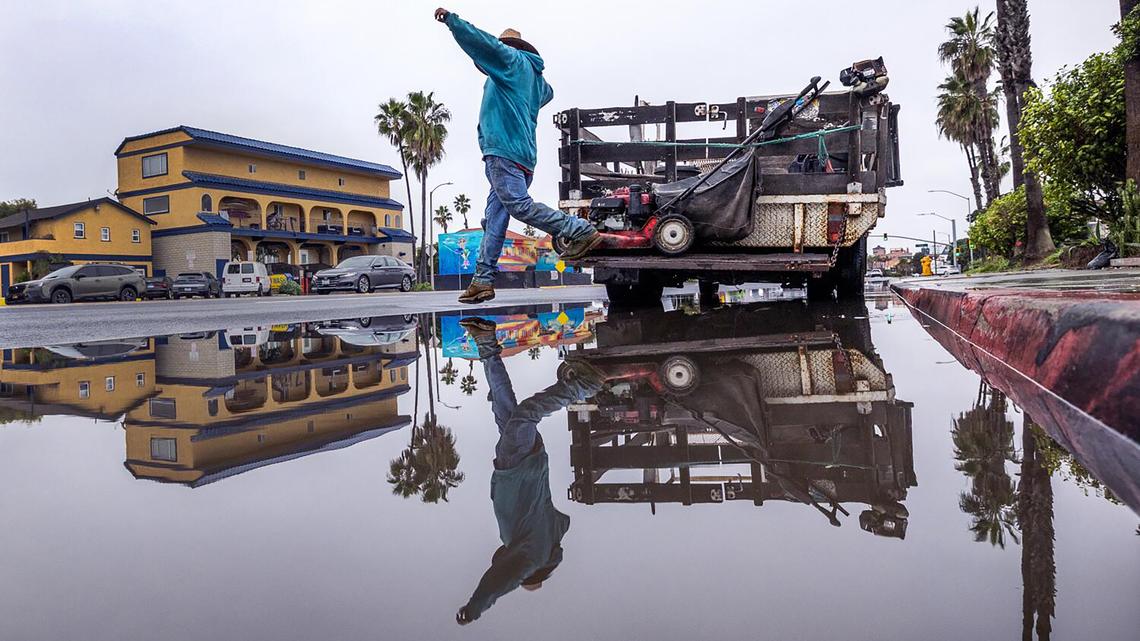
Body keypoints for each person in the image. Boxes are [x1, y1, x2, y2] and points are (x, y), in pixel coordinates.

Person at [435, 8, 603, 304]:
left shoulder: (510, 61)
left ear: (508, 48)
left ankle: (579, 230)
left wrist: (453, 21)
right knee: (495, 219)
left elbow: (482, 43)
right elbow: (548, 92)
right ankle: (482, 280)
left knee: (519, 206)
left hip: (504, 151)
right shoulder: (533, 79)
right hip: (523, 156)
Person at [454, 317, 604, 625]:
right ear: (533, 570)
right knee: (525, 415)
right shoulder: (531, 557)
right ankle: (580, 387)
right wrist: (475, 607)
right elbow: (501, 581)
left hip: (522, 464)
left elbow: (560, 525)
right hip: (517, 467)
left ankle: (485, 341)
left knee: (504, 404)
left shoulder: (545, 538)